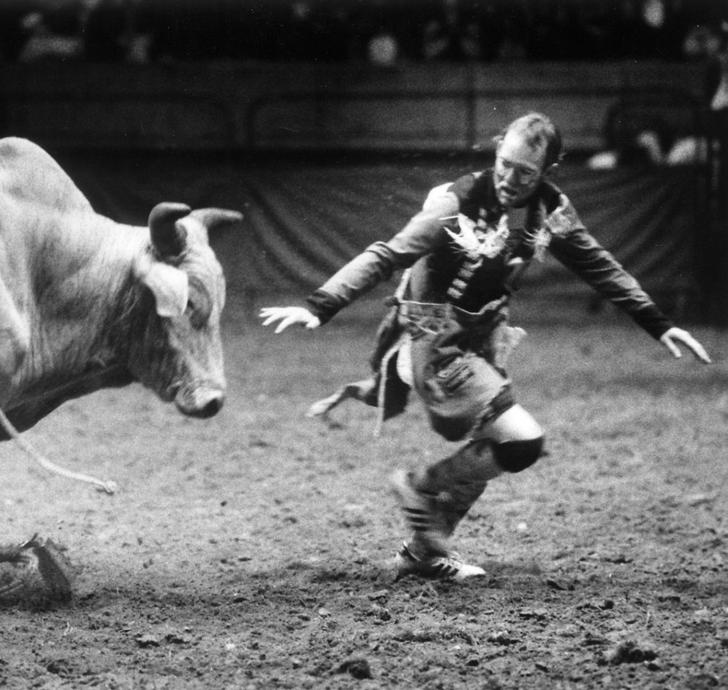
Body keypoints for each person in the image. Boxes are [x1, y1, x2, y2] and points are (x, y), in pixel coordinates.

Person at [259, 112, 711, 582]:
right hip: (432, 341)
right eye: (504, 164)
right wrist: (321, 303)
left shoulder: (551, 211)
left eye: (525, 172)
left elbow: (601, 266)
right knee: (523, 441)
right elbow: (389, 253)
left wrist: (659, 325)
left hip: (477, 341)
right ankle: (417, 486)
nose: (510, 179)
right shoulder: (456, 201)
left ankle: (422, 553)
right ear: (496, 152)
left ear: (547, 170)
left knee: (499, 441)